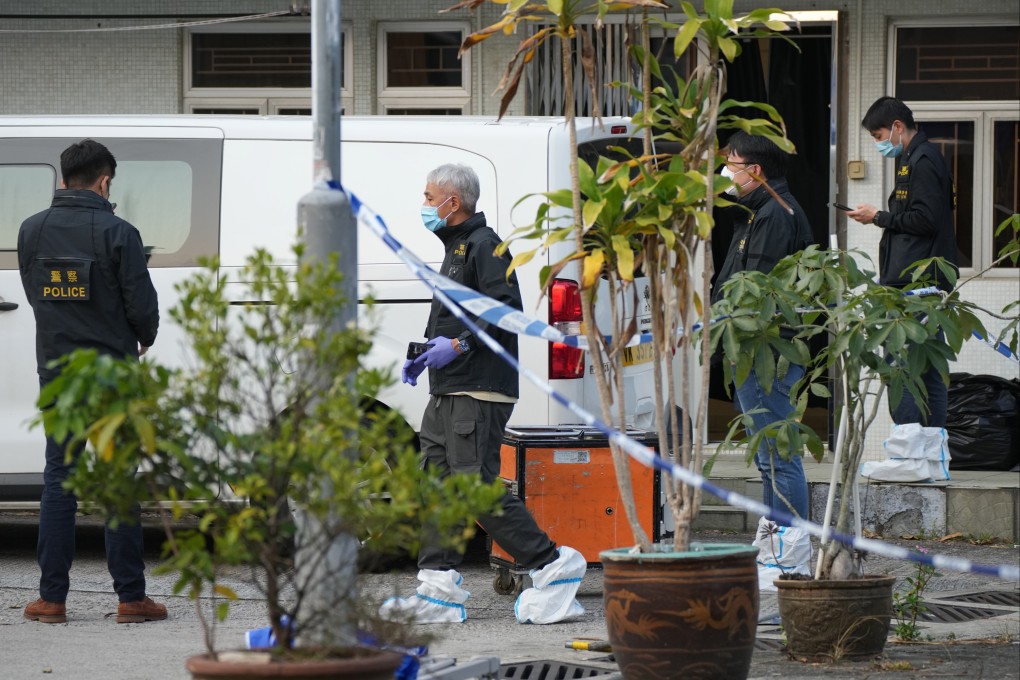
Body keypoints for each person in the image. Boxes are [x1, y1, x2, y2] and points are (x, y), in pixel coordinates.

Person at [381, 163, 585, 625]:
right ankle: (437, 590)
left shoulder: (485, 244)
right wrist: (427, 353)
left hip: (478, 390)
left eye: (429, 197)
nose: (425, 205)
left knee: (473, 488)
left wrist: (458, 345)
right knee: (438, 487)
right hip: (449, 389)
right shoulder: (456, 246)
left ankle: (553, 565)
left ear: (453, 202)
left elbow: (505, 310)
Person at [17, 139, 165, 624]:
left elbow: (35, 295)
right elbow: (141, 304)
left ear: (63, 179)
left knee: (59, 480)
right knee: (118, 481)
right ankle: (131, 599)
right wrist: (142, 337)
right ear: (104, 182)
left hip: (59, 375)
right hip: (113, 377)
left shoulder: (31, 230)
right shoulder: (120, 233)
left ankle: (52, 600)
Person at [712, 132, 814, 523]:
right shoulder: (758, 210)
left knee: (778, 453)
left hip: (766, 348)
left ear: (755, 170)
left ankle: (789, 541)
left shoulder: (775, 214)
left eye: (731, 165)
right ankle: (777, 537)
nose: (725, 172)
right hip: (754, 347)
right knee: (769, 454)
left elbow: (756, 289)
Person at [846, 96, 958, 427]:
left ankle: (910, 445)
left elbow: (925, 219)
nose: (879, 144)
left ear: (897, 127)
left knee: (903, 369)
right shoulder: (914, 158)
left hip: (918, 285)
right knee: (926, 369)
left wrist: (878, 216)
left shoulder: (923, 160)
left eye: (879, 136)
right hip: (915, 282)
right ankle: (928, 446)